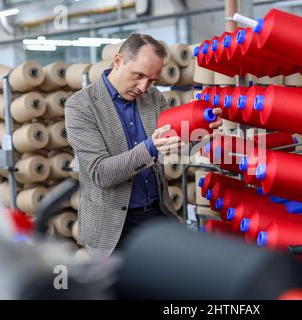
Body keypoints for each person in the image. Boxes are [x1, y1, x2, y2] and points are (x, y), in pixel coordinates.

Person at [65, 34, 223, 258]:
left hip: (156, 215)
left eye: (151, 80)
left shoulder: (153, 98)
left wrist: (203, 129)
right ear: (118, 61)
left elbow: (178, 146)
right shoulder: (81, 106)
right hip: (113, 226)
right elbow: (101, 174)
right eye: (138, 76)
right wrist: (150, 147)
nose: (143, 87)